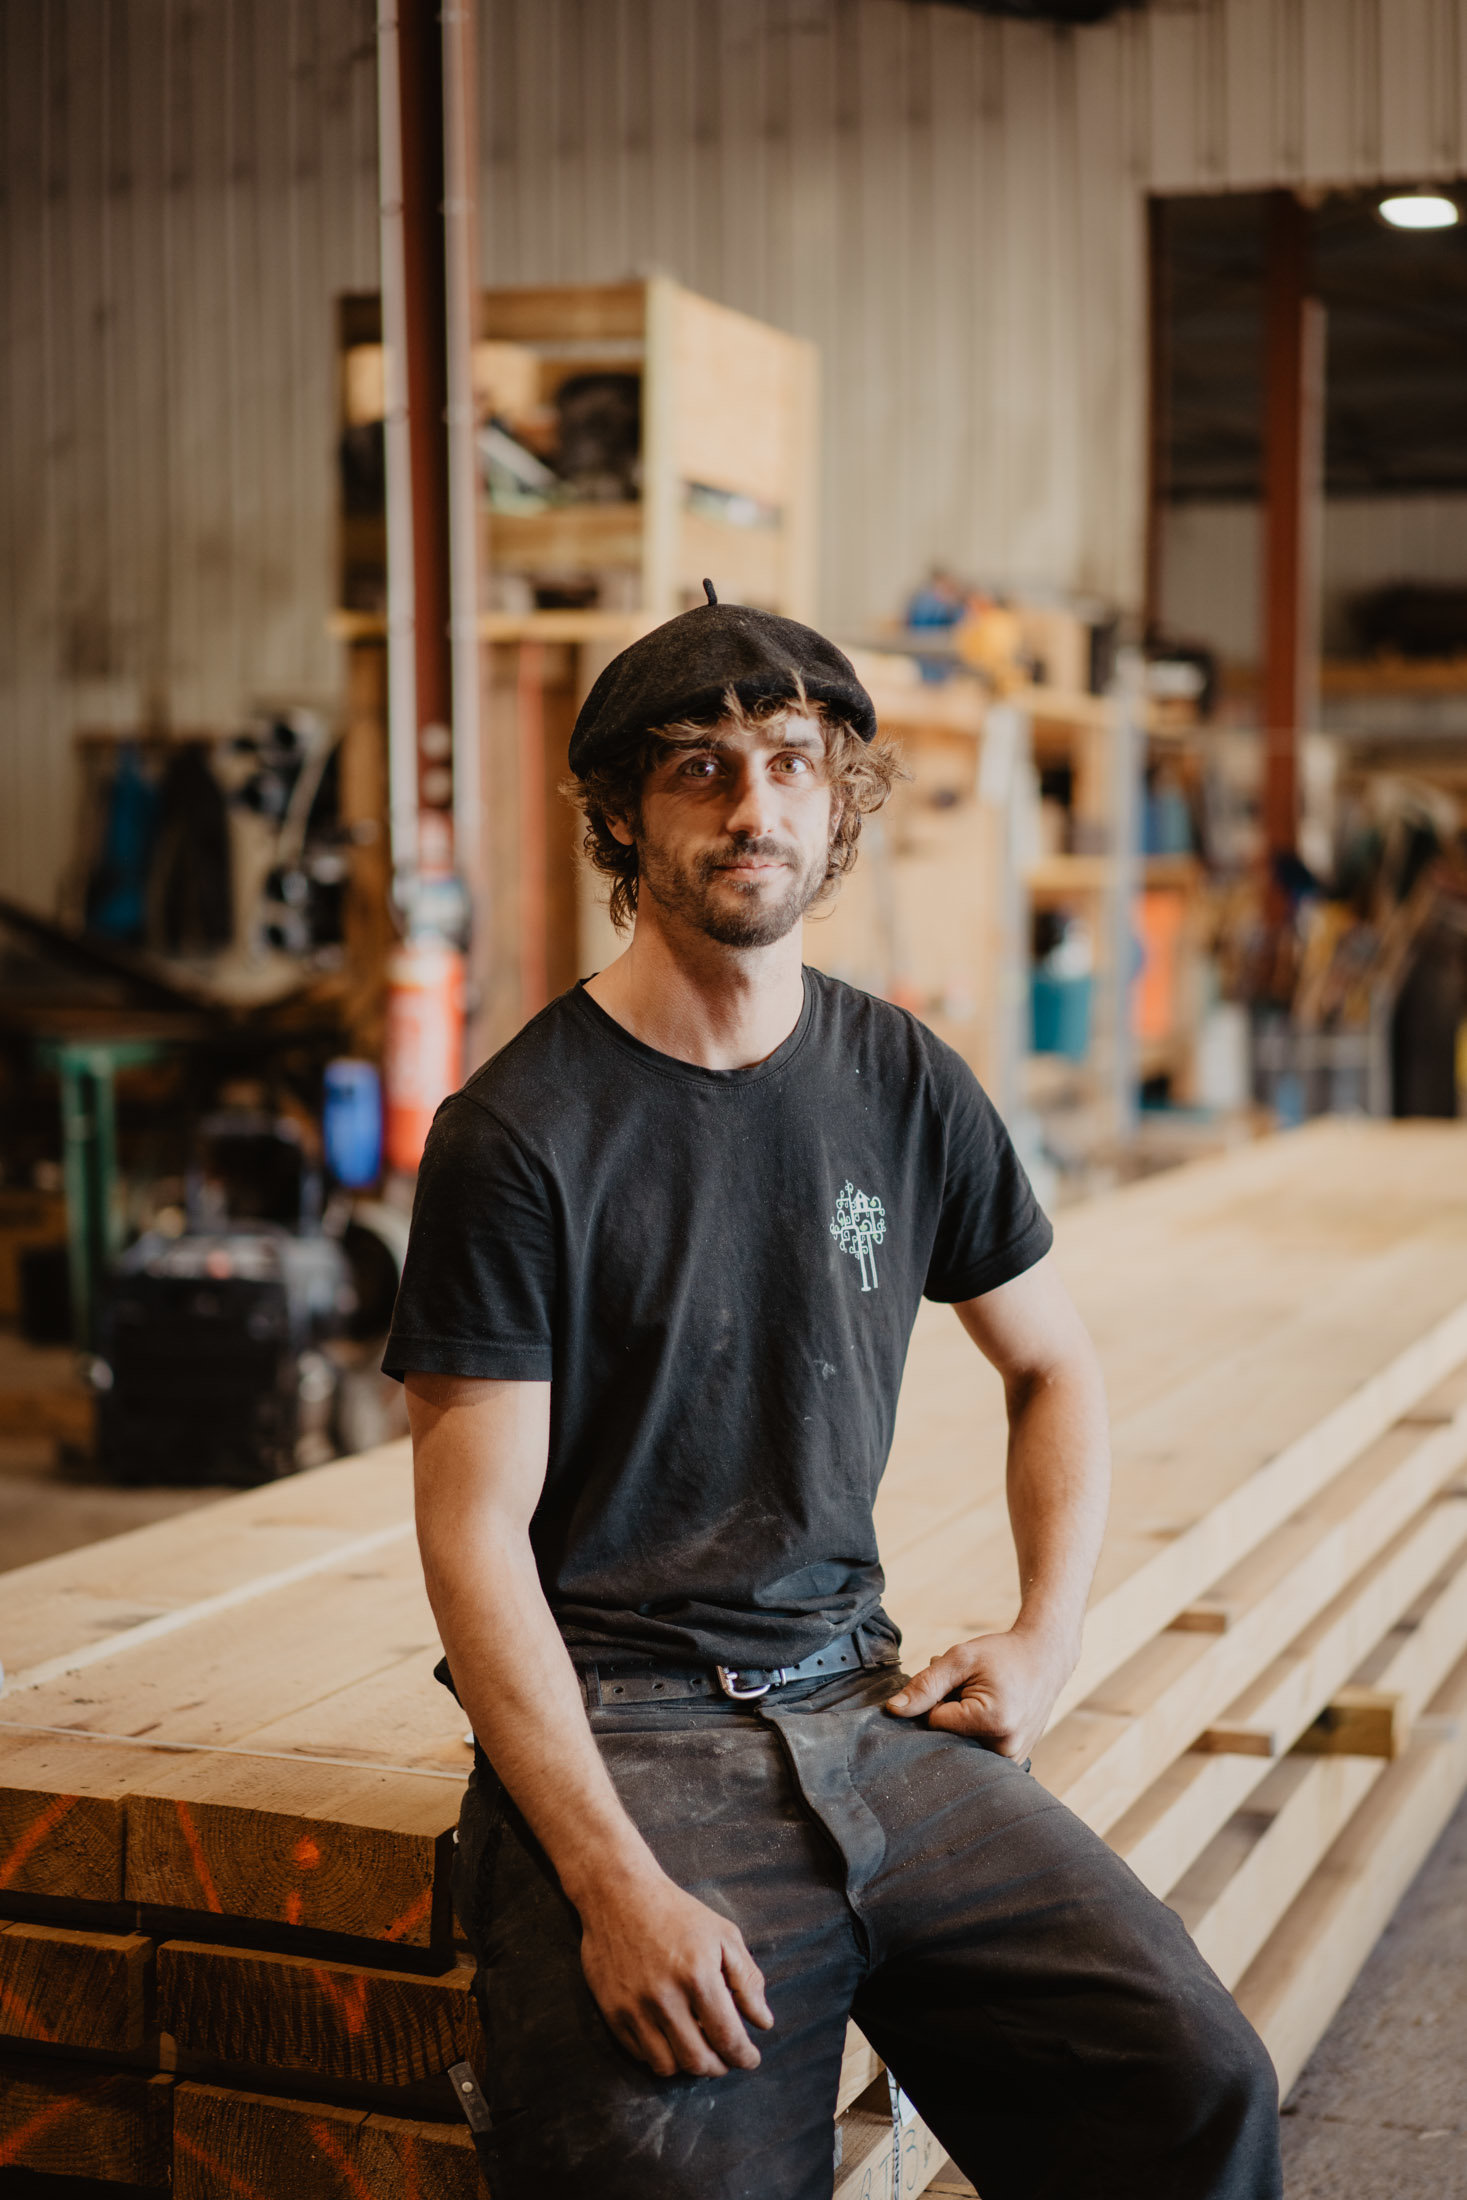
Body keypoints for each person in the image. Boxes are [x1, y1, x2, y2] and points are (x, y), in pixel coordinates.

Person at [385, 588, 1282, 2200]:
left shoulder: (906, 1079)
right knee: (678, 2180)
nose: (755, 808)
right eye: (700, 771)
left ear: (839, 799)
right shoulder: (518, 1135)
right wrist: (611, 1883)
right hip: (630, 1737)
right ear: (618, 816)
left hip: (869, 1708)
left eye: (793, 764)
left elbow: (1053, 1363)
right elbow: (473, 1542)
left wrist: (1044, 1633)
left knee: (1197, 2086)